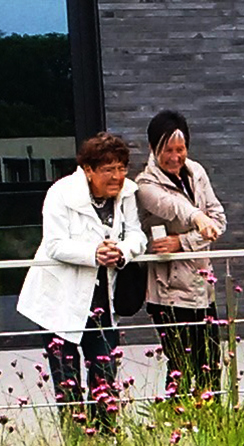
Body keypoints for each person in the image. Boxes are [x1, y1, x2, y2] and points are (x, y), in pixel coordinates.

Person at [16, 130, 151, 429]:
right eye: (108, 170)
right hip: (59, 301)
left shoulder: (127, 193)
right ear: (88, 170)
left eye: (121, 168)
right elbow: (54, 245)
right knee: (67, 382)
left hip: (103, 301)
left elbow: (137, 235)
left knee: (106, 377)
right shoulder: (61, 193)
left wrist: (122, 251)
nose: (117, 177)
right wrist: (94, 254)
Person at [134, 110, 227, 402]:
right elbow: (174, 207)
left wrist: (182, 241)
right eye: (167, 150)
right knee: (181, 367)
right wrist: (199, 220)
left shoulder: (196, 172)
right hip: (168, 290)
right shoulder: (145, 184)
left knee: (211, 364)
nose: (175, 157)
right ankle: (177, 429)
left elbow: (219, 220)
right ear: (152, 149)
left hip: (202, 286)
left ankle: (213, 425)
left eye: (180, 149)